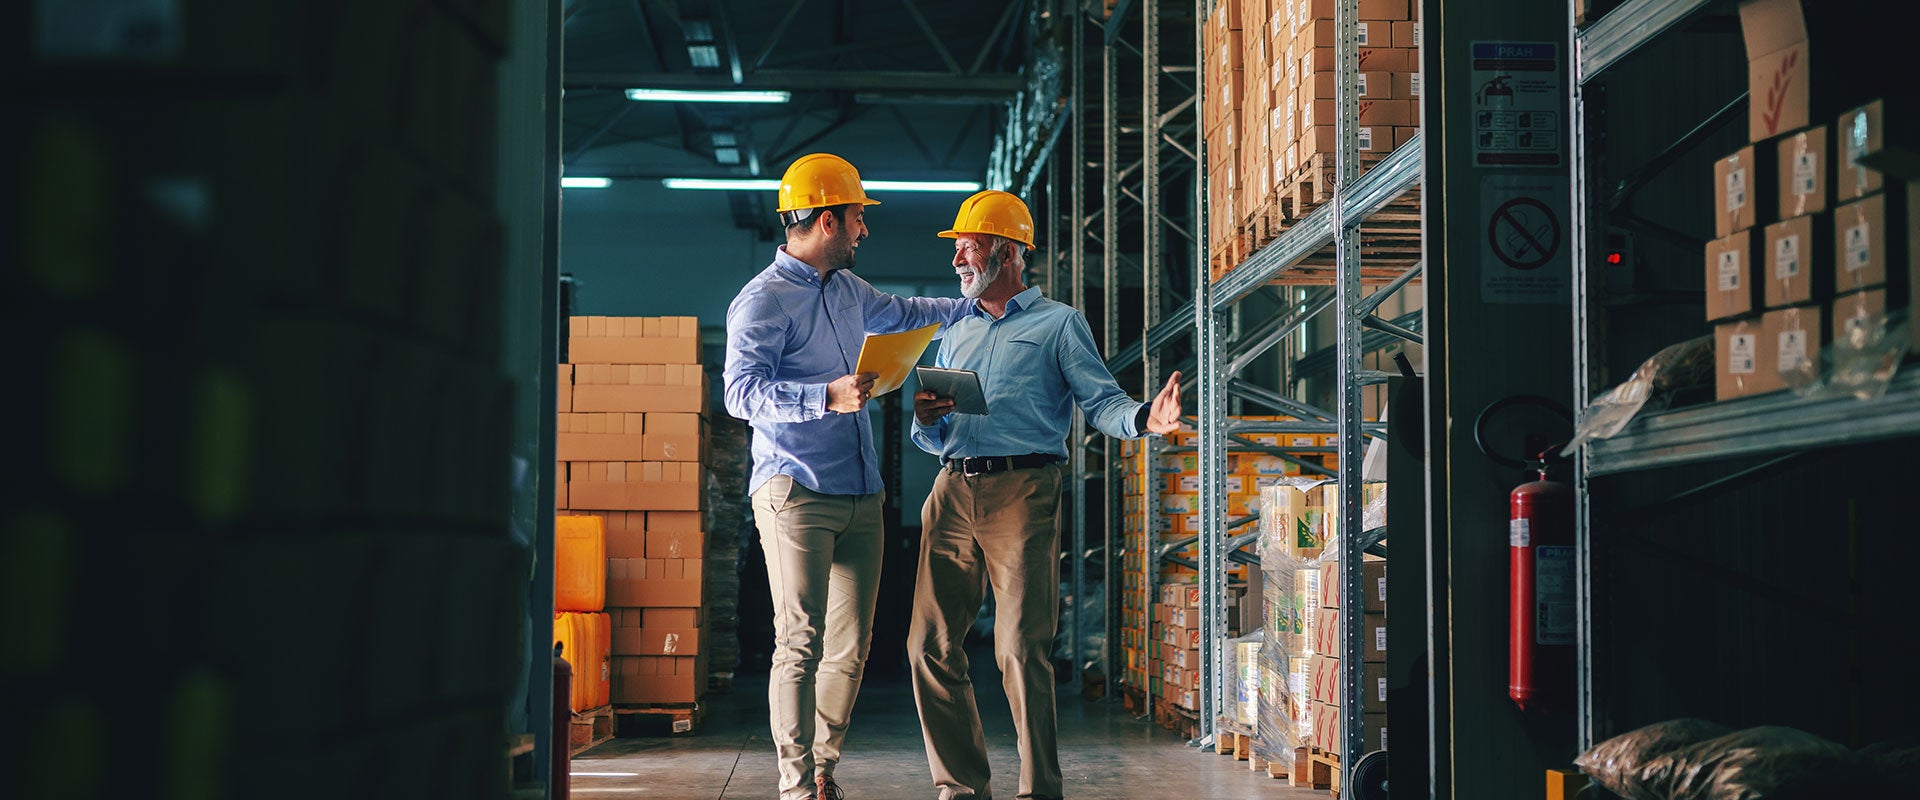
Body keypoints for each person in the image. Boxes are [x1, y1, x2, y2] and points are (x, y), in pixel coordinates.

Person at [907, 190, 1183, 800]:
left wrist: (1145, 418)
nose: (956, 260)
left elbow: (1102, 402)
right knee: (927, 644)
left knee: (1020, 646)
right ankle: (959, 784)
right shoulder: (955, 329)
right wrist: (927, 419)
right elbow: (933, 434)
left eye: (967, 247)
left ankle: (1040, 788)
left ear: (1006, 253)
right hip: (951, 488)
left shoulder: (1059, 323)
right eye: (956, 249)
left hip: (1023, 490)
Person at [724, 153, 973, 800]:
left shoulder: (851, 292)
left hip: (861, 491)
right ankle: (795, 786)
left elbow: (908, 310)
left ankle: (824, 767)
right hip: (795, 489)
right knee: (799, 640)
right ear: (829, 220)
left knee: (851, 648)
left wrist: (979, 306)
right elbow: (739, 395)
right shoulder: (761, 301)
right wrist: (823, 397)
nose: (865, 230)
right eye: (859, 218)